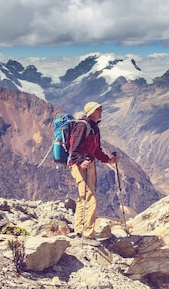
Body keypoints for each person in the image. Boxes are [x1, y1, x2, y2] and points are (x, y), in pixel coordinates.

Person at [68, 101, 119, 239]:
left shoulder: (94, 127)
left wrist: (108, 160)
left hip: (89, 164)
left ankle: (79, 230)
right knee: (90, 198)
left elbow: (96, 149)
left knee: (83, 197)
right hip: (80, 166)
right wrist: (80, 161)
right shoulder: (82, 126)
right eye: (98, 110)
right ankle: (88, 235)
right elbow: (74, 149)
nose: (101, 112)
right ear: (90, 112)